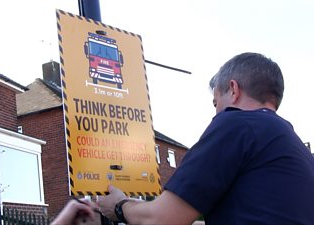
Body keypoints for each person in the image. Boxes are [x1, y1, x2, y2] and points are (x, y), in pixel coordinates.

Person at [94, 52, 314, 225]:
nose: (216, 113)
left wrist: (119, 206)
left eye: (215, 103)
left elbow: (162, 219)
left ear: (233, 90)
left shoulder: (237, 124)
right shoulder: (293, 146)